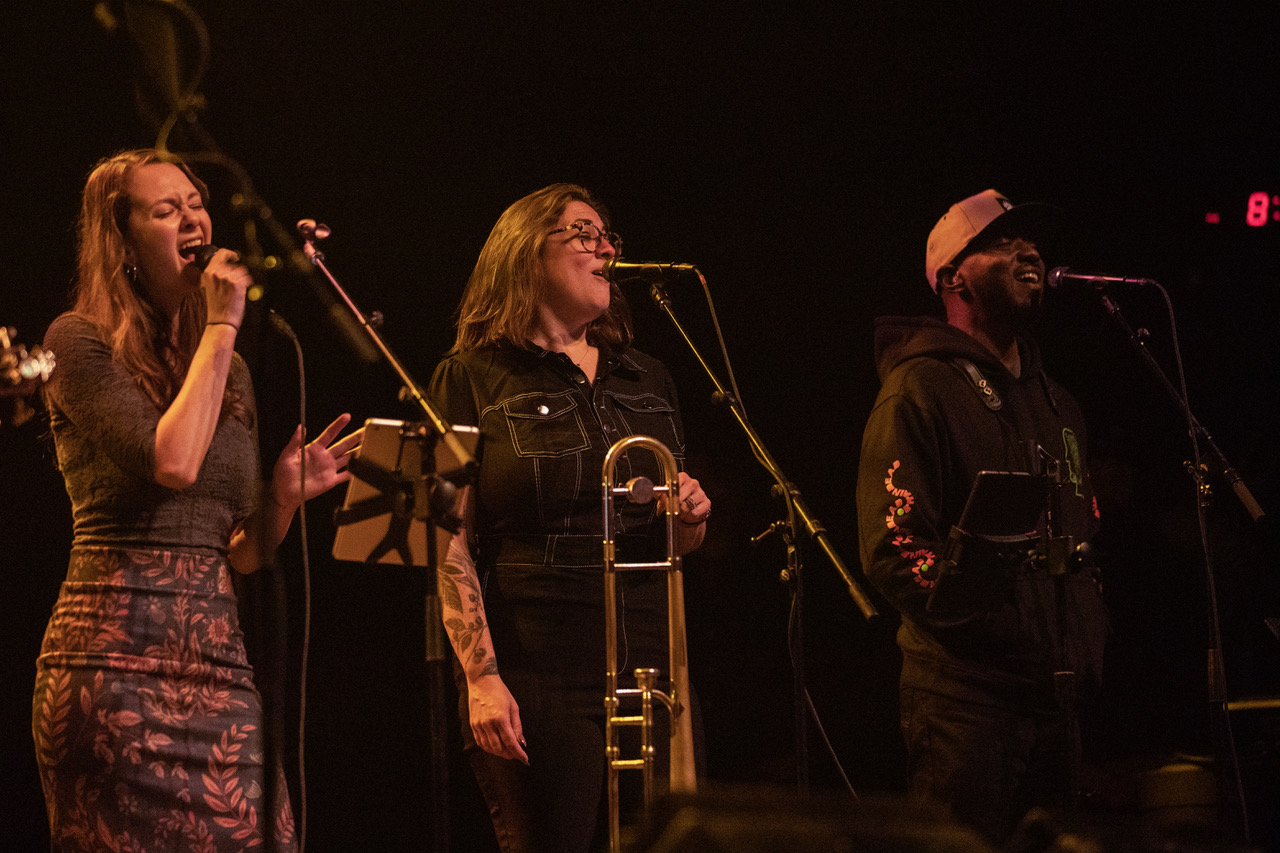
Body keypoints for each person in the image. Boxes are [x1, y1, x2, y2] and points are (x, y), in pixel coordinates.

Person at [31, 148, 362, 852]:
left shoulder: (228, 366)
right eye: (166, 209)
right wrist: (219, 326)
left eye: (195, 203)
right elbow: (173, 461)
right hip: (112, 671)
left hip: (218, 668)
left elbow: (241, 552)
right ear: (122, 243)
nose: (193, 218)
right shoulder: (76, 342)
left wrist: (281, 498)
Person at [428, 183, 711, 852]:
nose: (606, 247)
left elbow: (678, 542)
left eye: (608, 235)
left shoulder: (649, 378)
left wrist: (692, 515)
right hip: (540, 669)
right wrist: (481, 676)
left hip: (653, 667)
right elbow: (445, 539)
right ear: (524, 255)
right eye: (583, 233)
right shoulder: (470, 376)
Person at [856, 189, 1108, 844]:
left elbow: (1085, 535)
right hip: (966, 709)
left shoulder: (1062, 406)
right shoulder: (919, 388)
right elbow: (894, 545)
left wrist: (1084, 632)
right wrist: (996, 628)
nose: (1028, 250)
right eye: (1001, 241)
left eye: (1031, 239)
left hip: (1058, 708)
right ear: (952, 277)